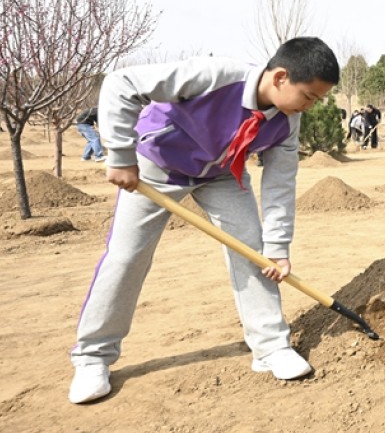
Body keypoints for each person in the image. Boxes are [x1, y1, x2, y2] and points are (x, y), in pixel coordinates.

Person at [68, 37, 340, 404]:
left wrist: (277, 248)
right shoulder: (215, 75)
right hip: (157, 165)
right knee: (127, 256)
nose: (309, 106)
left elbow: (279, 186)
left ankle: (271, 348)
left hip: (222, 175)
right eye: (309, 96)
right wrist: (119, 154)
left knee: (253, 252)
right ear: (279, 77)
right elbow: (122, 83)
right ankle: (92, 358)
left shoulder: (287, 124)